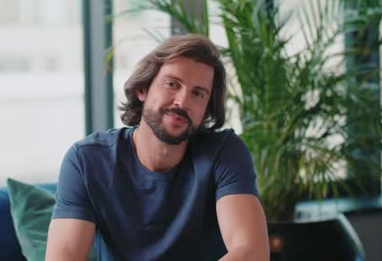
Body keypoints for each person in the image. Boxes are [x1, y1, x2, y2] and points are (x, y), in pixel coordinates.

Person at [46, 34, 269, 261]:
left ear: (206, 110)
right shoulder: (86, 160)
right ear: (142, 89)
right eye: (172, 84)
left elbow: (251, 252)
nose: (182, 102)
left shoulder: (224, 152)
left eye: (198, 94)